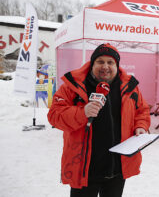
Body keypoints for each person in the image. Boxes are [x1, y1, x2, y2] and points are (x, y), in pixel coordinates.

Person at [47, 43, 150, 197]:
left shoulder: (130, 86)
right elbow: (54, 115)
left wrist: (140, 125)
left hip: (117, 168)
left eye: (110, 62)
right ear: (92, 64)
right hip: (85, 169)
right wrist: (83, 112)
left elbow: (142, 110)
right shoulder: (73, 86)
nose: (105, 66)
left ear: (117, 65)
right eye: (100, 61)